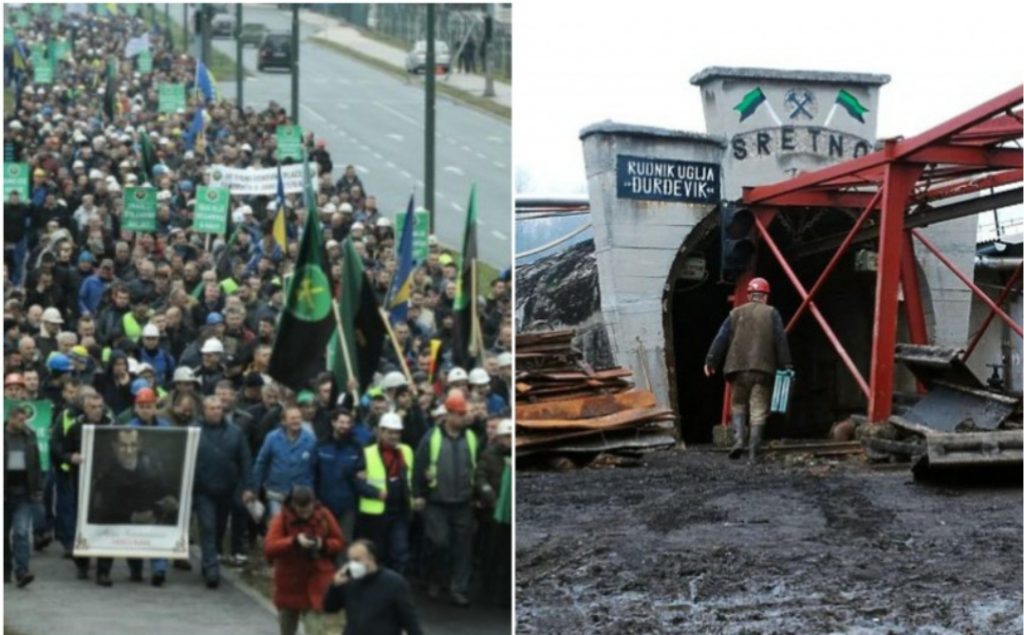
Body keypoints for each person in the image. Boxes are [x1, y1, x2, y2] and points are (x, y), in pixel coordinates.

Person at [704, 277, 792, 462]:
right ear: (765, 296)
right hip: (762, 370)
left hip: (737, 369)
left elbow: (721, 337)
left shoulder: (735, 313)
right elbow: (780, 341)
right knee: (758, 409)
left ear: (749, 295)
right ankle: (753, 454)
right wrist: (786, 365)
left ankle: (738, 442)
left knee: (738, 405)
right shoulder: (771, 313)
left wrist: (711, 361)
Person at [412, 388, 479, 606]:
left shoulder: (470, 438)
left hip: (463, 502)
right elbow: (418, 467)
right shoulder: (431, 438)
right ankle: (435, 580)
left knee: (463, 547)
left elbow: (476, 468)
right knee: (438, 543)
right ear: (449, 414)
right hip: (437, 502)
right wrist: (418, 494)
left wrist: (477, 495)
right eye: (459, 414)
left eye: (464, 413)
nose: (463, 417)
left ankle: (458, 588)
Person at [50, 389, 117, 585]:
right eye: (92, 407)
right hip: (80, 482)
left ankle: (104, 571)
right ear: (84, 408)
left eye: (99, 407)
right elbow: (59, 449)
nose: (96, 411)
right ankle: (82, 562)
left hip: (106, 485)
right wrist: (70, 457)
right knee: (81, 522)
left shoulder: (111, 426)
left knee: (105, 525)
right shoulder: (76, 427)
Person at [264, 485, 344, 635]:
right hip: (290, 583)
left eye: (308, 511)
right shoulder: (281, 519)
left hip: (316, 581)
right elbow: (269, 547)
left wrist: (323, 544)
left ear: (313, 503)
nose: (305, 515)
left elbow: (339, 541)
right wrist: (293, 541)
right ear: (294, 505)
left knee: (315, 630)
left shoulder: (324, 516)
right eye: (301, 512)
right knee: (287, 629)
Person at [193, 395, 254, 589]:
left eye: (219, 408)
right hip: (203, 490)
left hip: (228, 490)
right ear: (204, 410)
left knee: (219, 528)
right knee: (208, 527)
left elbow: (245, 461)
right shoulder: (194, 431)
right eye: (212, 408)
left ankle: (209, 558)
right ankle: (212, 570)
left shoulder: (235, 433)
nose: (216, 411)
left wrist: (248, 487)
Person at [356, 412, 417, 575]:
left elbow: (412, 477)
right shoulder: (368, 452)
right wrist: (375, 492)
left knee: (400, 551)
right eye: (390, 432)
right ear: (381, 432)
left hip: (400, 510)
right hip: (377, 513)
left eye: (397, 432)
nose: (394, 436)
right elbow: (357, 481)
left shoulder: (407, 451)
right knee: (379, 553)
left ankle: (396, 586)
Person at [322, 539, 423, 635]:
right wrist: (335, 586)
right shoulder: (349, 581)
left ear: (371, 558)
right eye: (350, 560)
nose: (352, 564)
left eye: (357, 560)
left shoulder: (394, 583)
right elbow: (329, 608)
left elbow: (410, 620)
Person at [314, 408, 369, 544]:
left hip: (348, 505)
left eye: (348, 423)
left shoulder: (356, 448)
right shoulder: (321, 445)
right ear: (333, 423)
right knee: (324, 541)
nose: (345, 426)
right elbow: (312, 473)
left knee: (345, 542)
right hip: (324, 504)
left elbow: (361, 472)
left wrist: (363, 474)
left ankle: (343, 565)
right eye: (341, 422)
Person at [251, 405, 317, 518]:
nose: (296, 421)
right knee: (277, 524)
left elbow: (314, 466)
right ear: (283, 421)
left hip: (301, 495)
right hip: (276, 491)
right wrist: (254, 488)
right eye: (292, 418)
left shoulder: (310, 439)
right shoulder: (272, 438)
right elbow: (261, 463)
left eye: (298, 418)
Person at [475, 418, 512, 606]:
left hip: (509, 516)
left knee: (507, 556)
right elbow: (481, 480)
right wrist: (492, 499)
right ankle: (487, 593)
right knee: (491, 554)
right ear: (498, 438)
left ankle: (505, 593)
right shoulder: (489, 456)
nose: (510, 440)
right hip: (492, 515)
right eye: (506, 436)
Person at [5, 403, 42, 588]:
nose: (23, 423)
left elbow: (36, 462)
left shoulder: (30, 436)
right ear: (10, 419)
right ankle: (5, 569)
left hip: (23, 492)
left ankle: (22, 571)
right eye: (20, 420)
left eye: (25, 419)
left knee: (21, 532)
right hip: (5, 492)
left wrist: (37, 488)